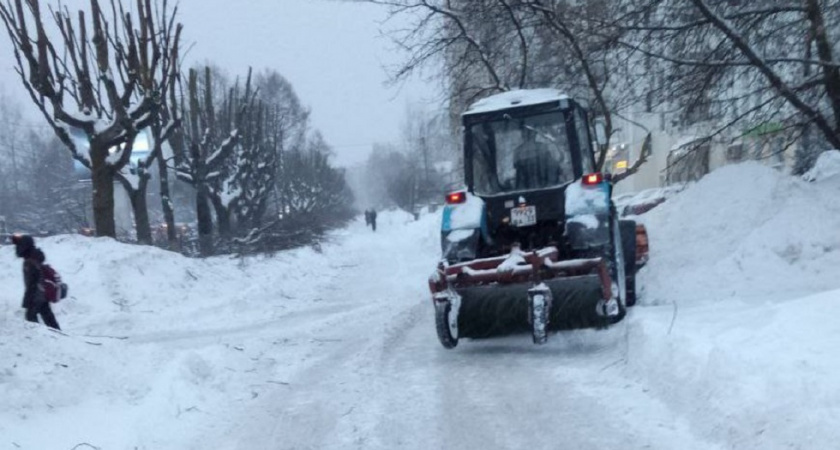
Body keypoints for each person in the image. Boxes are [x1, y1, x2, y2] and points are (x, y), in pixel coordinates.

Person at [12, 234, 60, 330]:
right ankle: (59, 335)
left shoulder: (29, 262)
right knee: (48, 317)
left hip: (36, 295)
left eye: (18, 245)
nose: (16, 248)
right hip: (42, 294)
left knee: (31, 320)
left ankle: (38, 342)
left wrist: (27, 300)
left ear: (24, 246)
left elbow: (31, 283)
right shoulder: (35, 257)